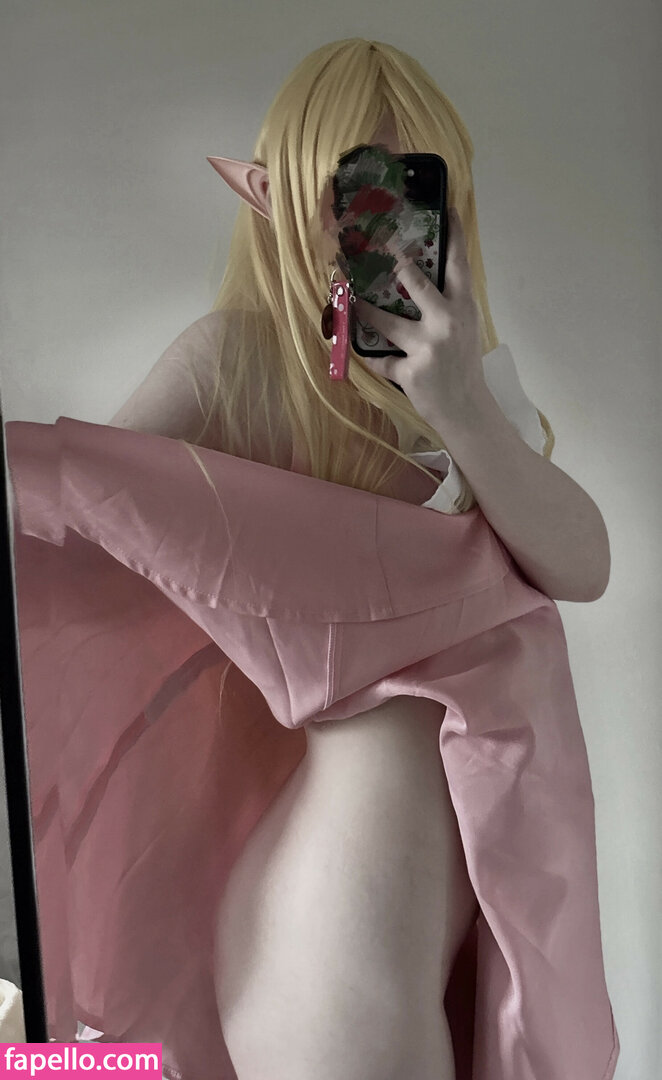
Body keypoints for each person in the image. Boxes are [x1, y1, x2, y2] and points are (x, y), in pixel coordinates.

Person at [6, 37, 619, 1080]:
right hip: (331, 914)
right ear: (275, 195)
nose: (379, 221)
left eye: (412, 188)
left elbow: (581, 566)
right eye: (351, 187)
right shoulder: (235, 361)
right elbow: (86, 517)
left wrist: (461, 404)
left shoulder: (470, 394)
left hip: (434, 904)